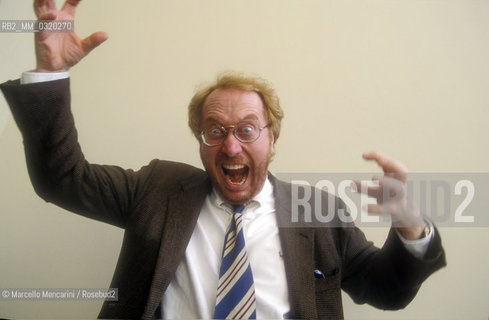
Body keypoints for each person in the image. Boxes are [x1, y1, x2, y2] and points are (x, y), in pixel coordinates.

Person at [1, 0, 446, 319]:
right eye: (215, 130)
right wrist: (49, 73)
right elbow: (60, 178)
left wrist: (410, 225)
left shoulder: (319, 212)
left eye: (247, 130)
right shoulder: (156, 189)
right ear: (200, 138)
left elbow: (386, 291)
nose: (231, 147)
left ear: (272, 138)